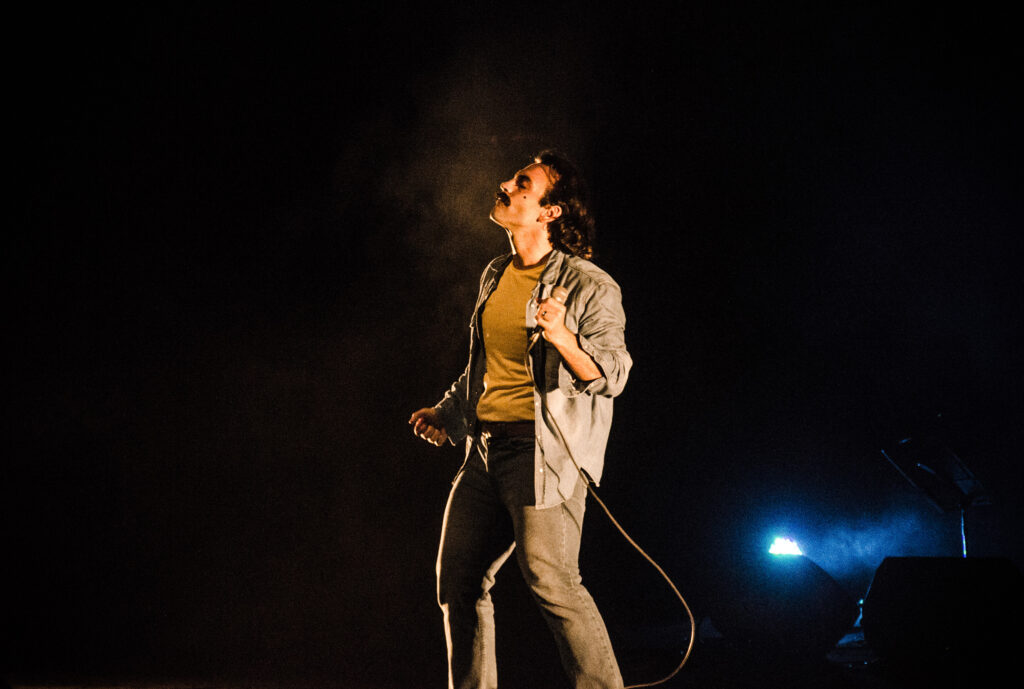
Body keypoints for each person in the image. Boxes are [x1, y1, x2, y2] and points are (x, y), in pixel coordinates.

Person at [409, 150, 632, 689]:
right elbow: (485, 367)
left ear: (550, 212)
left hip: (544, 457)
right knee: (457, 580)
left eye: (522, 183)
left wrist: (564, 338)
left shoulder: (590, 286)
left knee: (552, 580)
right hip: (484, 451)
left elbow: (614, 373)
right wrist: (447, 411)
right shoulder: (495, 273)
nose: (505, 184)